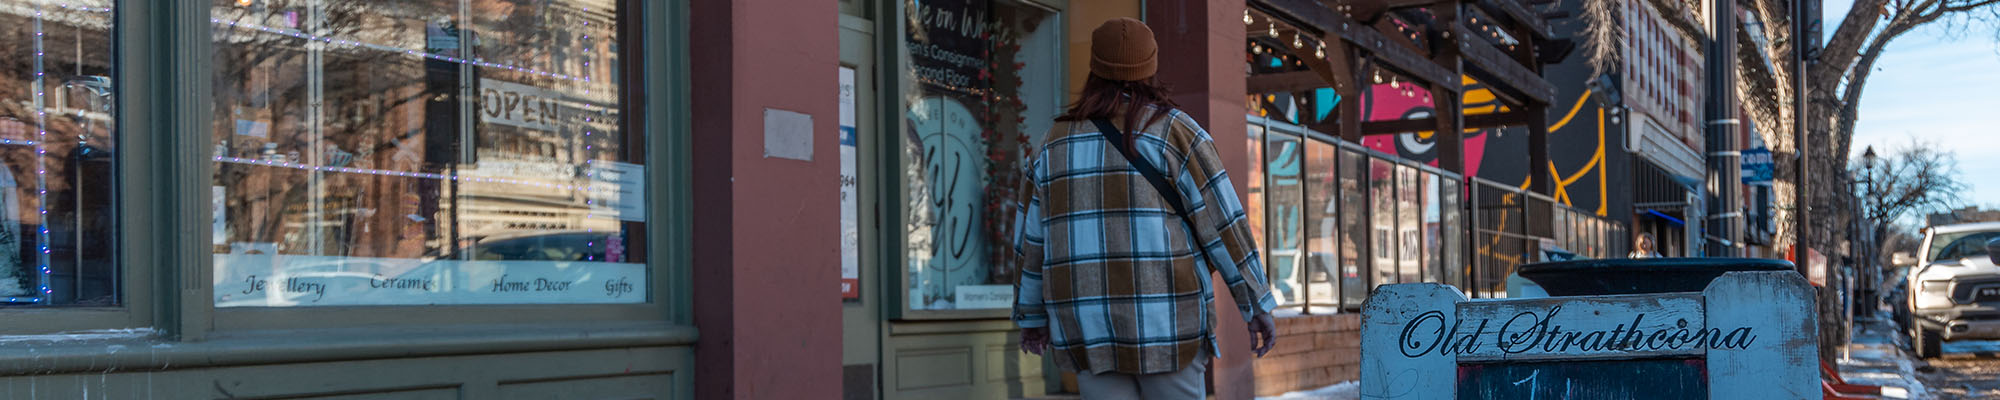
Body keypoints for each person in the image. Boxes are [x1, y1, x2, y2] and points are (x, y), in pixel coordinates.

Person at [1010, 17, 1278, 400]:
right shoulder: (1178, 133)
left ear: (1095, 68)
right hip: (1168, 326)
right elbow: (1224, 225)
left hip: (1087, 329)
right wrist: (1255, 304)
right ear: (1150, 68)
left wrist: (1032, 315)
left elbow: (1031, 242)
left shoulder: (1052, 144)